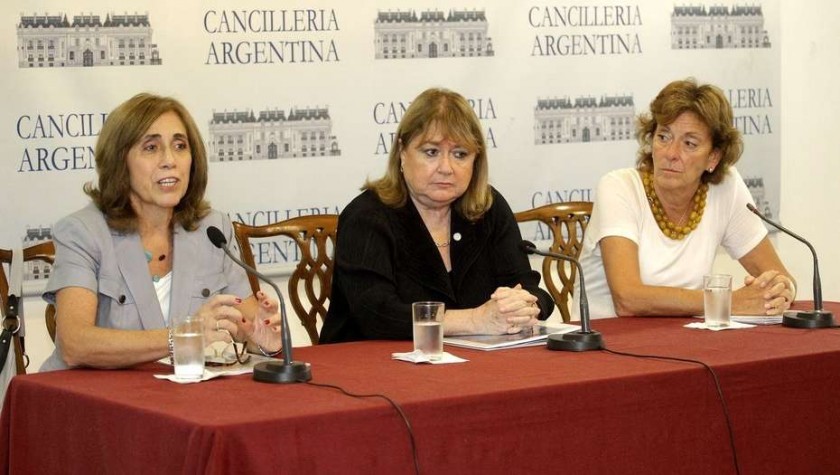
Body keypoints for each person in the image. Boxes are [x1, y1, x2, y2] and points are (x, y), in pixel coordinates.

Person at [41, 93, 282, 371]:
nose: (170, 160)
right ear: (120, 162)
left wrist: (264, 339)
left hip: (179, 391)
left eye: (180, 146)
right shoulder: (82, 232)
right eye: (151, 147)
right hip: (91, 395)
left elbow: (247, 324)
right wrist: (183, 336)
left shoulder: (211, 229)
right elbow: (75, 344)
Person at [320, 87, 554, 343]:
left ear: (476, 160)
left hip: (472, 361)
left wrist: (524, 306)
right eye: (431, 152)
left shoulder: (488, 208)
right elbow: (377, 315)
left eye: (460, 154)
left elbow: (527, 287)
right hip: (370, 360)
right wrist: (475, 320)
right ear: (402, 151)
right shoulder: (367, 217)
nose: (446, 168)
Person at [575, 78, 795, 318]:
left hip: (685, 336)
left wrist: (780, 292)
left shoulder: (726, 187)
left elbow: (781, 278)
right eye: (663, 137)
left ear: (713, 158)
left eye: (689, 143)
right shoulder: (619, 187)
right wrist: (726, 301)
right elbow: (628, 299)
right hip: (607, 337)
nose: (671, 153)